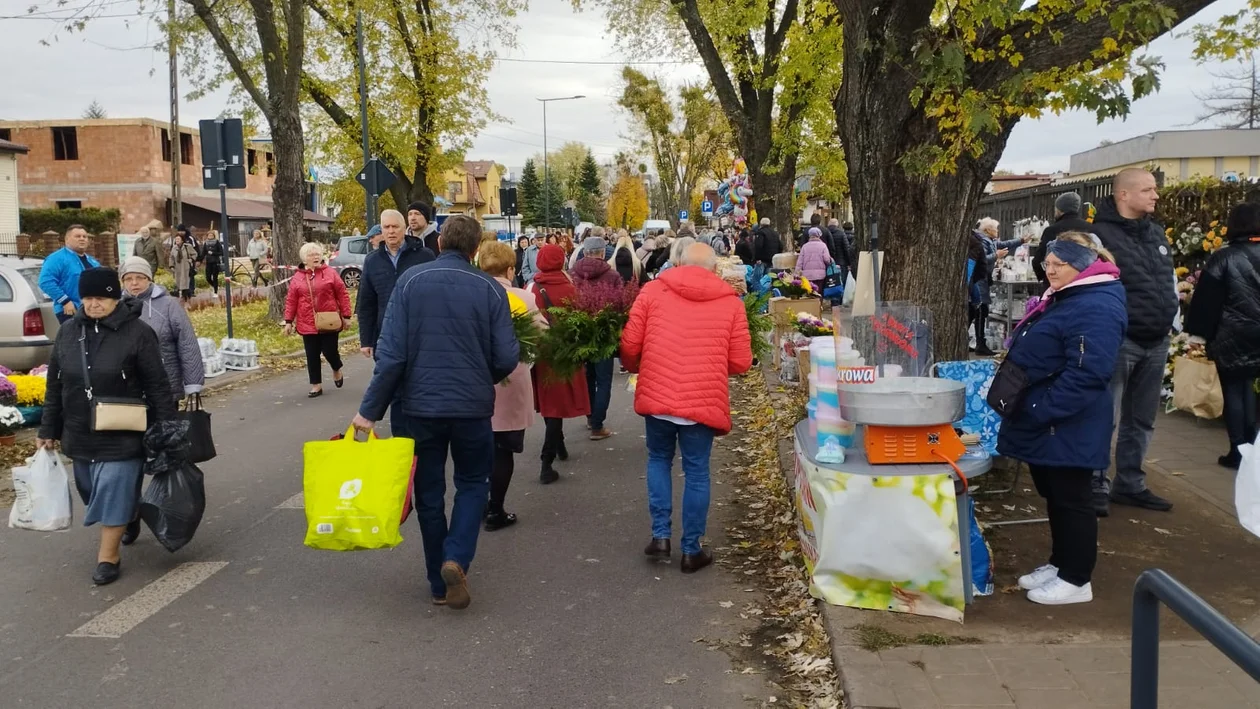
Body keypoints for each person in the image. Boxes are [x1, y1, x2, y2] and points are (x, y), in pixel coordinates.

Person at [351, 215, 519, 610]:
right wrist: (483, 376)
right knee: (473, 484)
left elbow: (391, 356)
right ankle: (456, 558)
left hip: (417, 407)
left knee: (429, 493)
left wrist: (368, 412)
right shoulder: (490, 290)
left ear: (440, 242)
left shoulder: (410, 283)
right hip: (472, 407)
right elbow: (507, 355)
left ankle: (437, 582)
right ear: (476, 248)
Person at [999, 232, 1127, 605]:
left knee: (1073, 498)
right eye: (1048, 263)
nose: (1049, 270)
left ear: (1083, 265)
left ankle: (1077, 578)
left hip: (1067, 421)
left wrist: (1042, 410)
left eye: (1059, 264)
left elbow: (1088, 372)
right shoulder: (1071, 296)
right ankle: (1061, 562)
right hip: (1053, 420)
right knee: (1055, 494)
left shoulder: (1095, 305)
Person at [37, 268, 177, 585]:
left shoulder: (138, 333)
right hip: (79, 429)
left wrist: (167, 426)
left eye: (100, 297)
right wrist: (48, 429)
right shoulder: (69, 332)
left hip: (125, 429)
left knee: (113, 485)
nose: (93, 304)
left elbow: (158, 385)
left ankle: (107, 557)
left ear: (115, 297)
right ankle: (130, 514)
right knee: (89, 489)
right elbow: (54, 386)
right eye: (87, 298)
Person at [621, 243, 752, 572]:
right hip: (702, 402)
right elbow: (740, 360)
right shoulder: (730, 303)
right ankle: (692, 550)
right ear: (713, 268)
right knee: (697, 472)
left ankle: (661, 536)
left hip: (659, 396)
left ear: (677, 263)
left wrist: (641, 366)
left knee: (659, 460)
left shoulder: (652, 291)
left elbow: (630, 345)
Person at [1089, 168, 1176, 515]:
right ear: (1123, 194)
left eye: (1155, 189)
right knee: (1103, 415)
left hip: (1157, 340)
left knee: (1142, 418)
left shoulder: (1156, 234)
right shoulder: (1099, 237)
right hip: (1120, 340)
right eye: (1147, 189)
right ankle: (1096, 483)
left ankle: (1131, 483)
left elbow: (1165, 281)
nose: (1155, 195)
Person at [1186, 201, 1260, 469]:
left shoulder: (1224, 256)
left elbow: (1207, 301)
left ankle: (1238, 451)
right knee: (1250, 386)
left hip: (1232, 335)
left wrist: (1198, 335)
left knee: (1234, 390)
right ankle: (1252, 448)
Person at [478, 240, 544, 531]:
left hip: (475, 380)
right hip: (511, 381)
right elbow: (542, 333)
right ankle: (496, 510)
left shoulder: (472, 295)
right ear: (510, 268)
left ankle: (477, 504)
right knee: (503, 450)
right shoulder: (523, 299)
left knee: (477, 448)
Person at [528, 244, 592, 483]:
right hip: (566, 351)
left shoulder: (533, 287)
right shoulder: (571, 287)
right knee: (559, 403)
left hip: (543, 352)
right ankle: (549, 457)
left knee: (550, 403)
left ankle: (554, 449)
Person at [119, 257, 204, 406]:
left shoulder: (168, 305)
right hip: (127, 389)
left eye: (140, 277)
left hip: (165, 385)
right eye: (128, 279)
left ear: (150, 279)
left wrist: (193, 383)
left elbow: (187, 343)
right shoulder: (116, 307)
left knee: (165, 428)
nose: (134, 283)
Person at [357, 209, 436, 360]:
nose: (391, 231)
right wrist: (366, 340)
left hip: (419, 334)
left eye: (395, 227)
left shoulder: (424, 256)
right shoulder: (372, 261)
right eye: (386, 227)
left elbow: (435, 297)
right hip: (386, 335)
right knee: (388, 380)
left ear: (404, 227)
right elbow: (366, 303)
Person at [571, 236, 623, 441]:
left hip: (581, 331)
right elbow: (620, 304)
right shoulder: (612, 275)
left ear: (584, 252)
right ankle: (597, 424)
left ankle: (590, 416)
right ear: (602, 252)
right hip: (604, 333)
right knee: (603, 380)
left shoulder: (573, 273)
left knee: (588, 377)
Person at [283, 243, 352, 398]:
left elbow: (342, 294)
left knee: (329, 351)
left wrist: (346, 316)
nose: (315, 257)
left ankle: (336, 367)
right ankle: (316, 385)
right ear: (304, 259)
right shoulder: (298, 277)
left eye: (317, 254)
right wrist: (288, 321)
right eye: (311, 255)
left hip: (329, 319)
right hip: (306, 321)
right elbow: (291, 300)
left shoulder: (330, 273)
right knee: (312, 354)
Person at [39, 225, 101, 324]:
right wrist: (65, 301)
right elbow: (45, 282)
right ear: (67, 239)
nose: (82, 239)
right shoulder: (57, 258)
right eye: (77, 236)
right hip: (70, 310)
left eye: (84, 237)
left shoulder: (93, 262)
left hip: (92, 310)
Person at [1033, 192, 1093, 284]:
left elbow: (1039, 259)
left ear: (1059, 209)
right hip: (1084, 281)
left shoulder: (1052, 230)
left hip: (1057, 284)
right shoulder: (1090, 228)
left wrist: (1044, 278)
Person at [171, 232, 198, 303]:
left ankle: (186, 297)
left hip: (186, 267)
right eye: (176, 239)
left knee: (185, 281)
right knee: (178, 281)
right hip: (177, 267)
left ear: (182, 240)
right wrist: (171, 266)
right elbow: (171, 257)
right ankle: (181, 295)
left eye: (178, 239)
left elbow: (194, 254)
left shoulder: (187, 246)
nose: (177, 240)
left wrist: (191, 260)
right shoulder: (174, 247)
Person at [201, 229, 225, 296]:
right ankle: (215, 286)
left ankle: (215, 292)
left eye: (211, 235)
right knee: (208, 278)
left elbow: (221, 252)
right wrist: (199, 260)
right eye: (209, 235)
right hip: (208, 262)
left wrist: (213, 253)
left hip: (215, 262)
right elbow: (203, 253)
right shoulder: (206, 243)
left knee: (215, 277)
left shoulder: (217, 242)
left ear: (214, 236)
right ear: (207, 236)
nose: (210, 236)